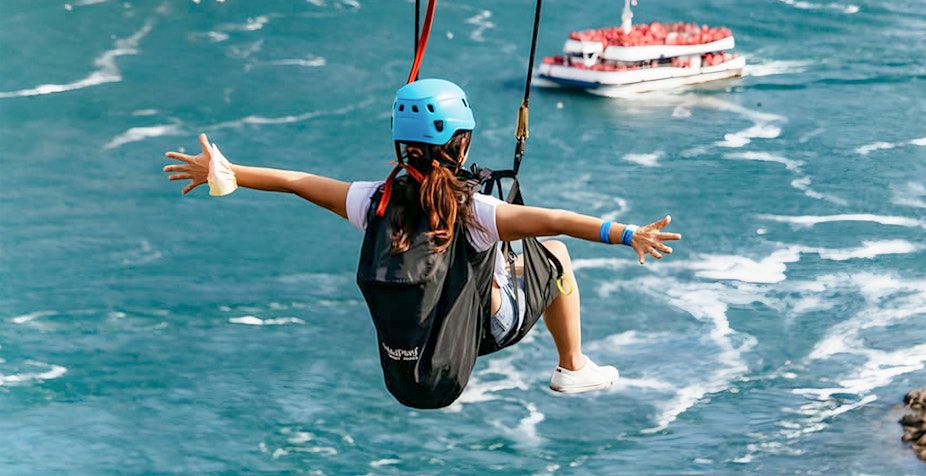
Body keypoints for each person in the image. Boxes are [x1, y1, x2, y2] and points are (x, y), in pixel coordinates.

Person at [163, 78, 681, 394]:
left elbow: (297, 183)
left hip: (420, 345)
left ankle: (558, 353)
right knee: (557, 255)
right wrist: (627, 233)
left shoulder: (374, 201)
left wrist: (224, 170)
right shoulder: (477, 210)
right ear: (462, 144)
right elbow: (560, 221)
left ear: (400, 144)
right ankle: (571, 367)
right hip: (482, 331)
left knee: (513, 253)